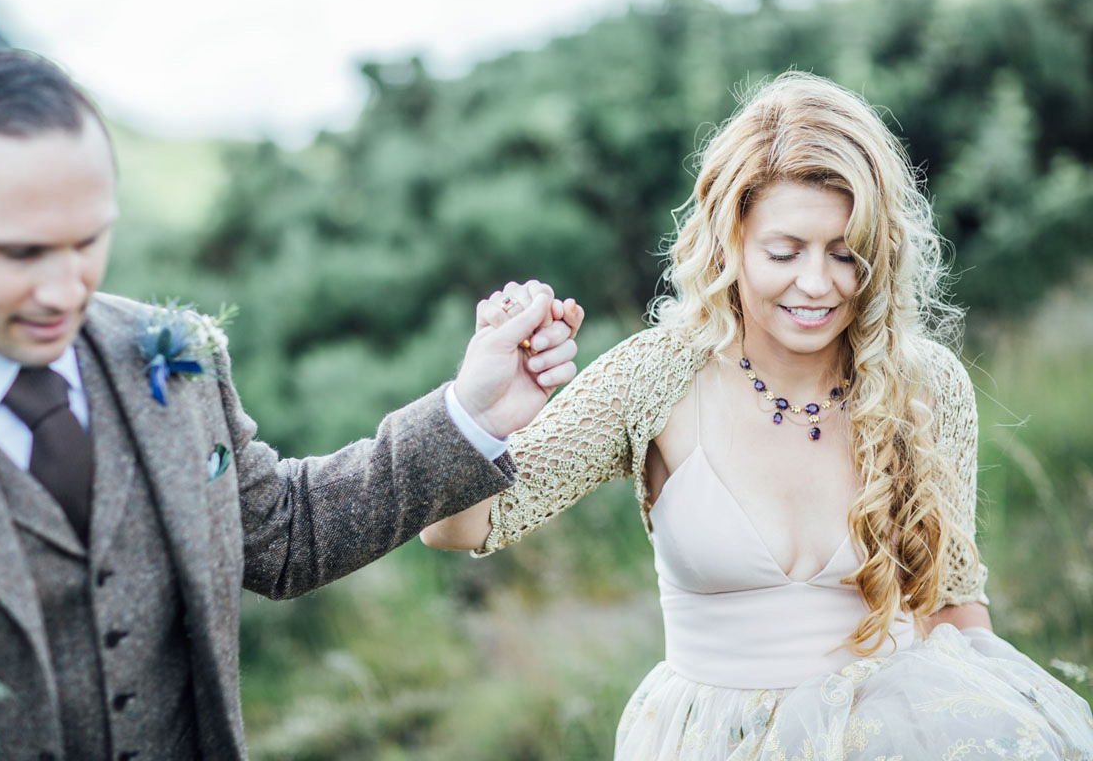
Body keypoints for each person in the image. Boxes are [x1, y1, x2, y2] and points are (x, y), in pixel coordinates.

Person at [0, 48, 584, 759]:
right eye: (20, 253)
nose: (65, 289)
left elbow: (285, 536)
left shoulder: (171, 352)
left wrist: (472, 413)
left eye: (88, 240)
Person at [422, 72, 1093, 758]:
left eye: (845, 253)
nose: (816, 283)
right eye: (784, 251)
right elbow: (459, 527)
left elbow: (952, 604)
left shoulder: (925, 383)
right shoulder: (654, 376)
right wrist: (483, 413)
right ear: (728, 242)